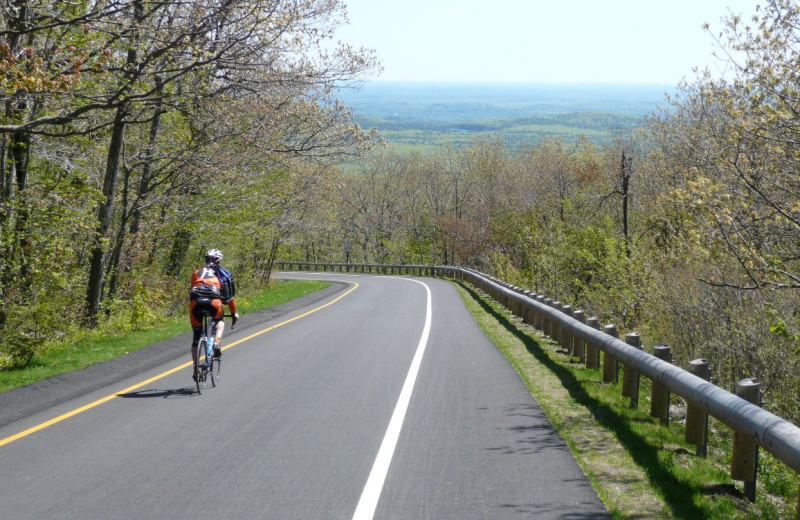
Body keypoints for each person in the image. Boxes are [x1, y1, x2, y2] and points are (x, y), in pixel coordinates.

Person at [189, 248, 238, 380]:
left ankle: (195, 370)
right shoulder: (221, 274)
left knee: (196, 338)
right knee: (220, 322)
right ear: (218, 260)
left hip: (196, 303)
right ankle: (216, 342)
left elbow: (192, 291)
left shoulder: (196, 272)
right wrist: (234, 314)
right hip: (214, 302)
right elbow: (229, 298)